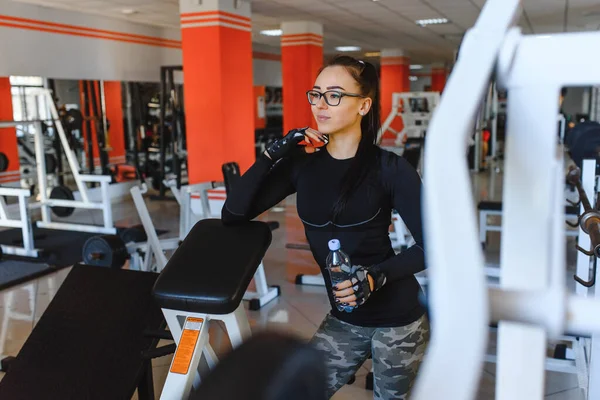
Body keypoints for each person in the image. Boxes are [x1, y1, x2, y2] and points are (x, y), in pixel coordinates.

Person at [221, 55, 429, 399]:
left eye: (334, 95)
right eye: (316, 94)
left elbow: (432, 246)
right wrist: (272, 156)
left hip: (400, 320)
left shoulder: (390, 169)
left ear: (363, 105)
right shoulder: (302, 166)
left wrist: (375, 276)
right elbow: (234, 213)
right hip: (345, 319)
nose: (320, 104)